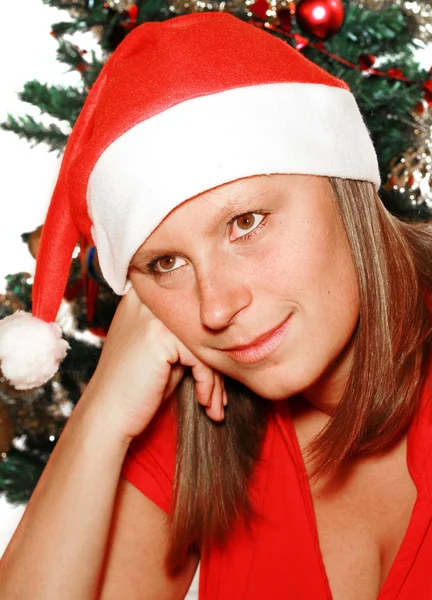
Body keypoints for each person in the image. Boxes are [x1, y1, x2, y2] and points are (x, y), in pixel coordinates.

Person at [0, 10, 432, 600]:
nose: (216, 308)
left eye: (246, 223)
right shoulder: (197, 414)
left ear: (342, 180)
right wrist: (100, 413)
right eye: (165, 263)